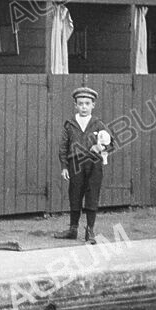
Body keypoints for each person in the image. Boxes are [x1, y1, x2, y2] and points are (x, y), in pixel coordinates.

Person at [57, 86, 113, 244]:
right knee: (74, 195)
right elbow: (63, 147)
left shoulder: (98, 124)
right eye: (80, 103)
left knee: (92, 195)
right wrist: (64, 166)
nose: (83, 107)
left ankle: (90, 231)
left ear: (93, 105)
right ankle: (73, 229)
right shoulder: (70, 124)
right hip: (75, 164)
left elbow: (111, 143)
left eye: (87, 103)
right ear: (75, 105)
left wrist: (100, 147)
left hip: (94, 165)